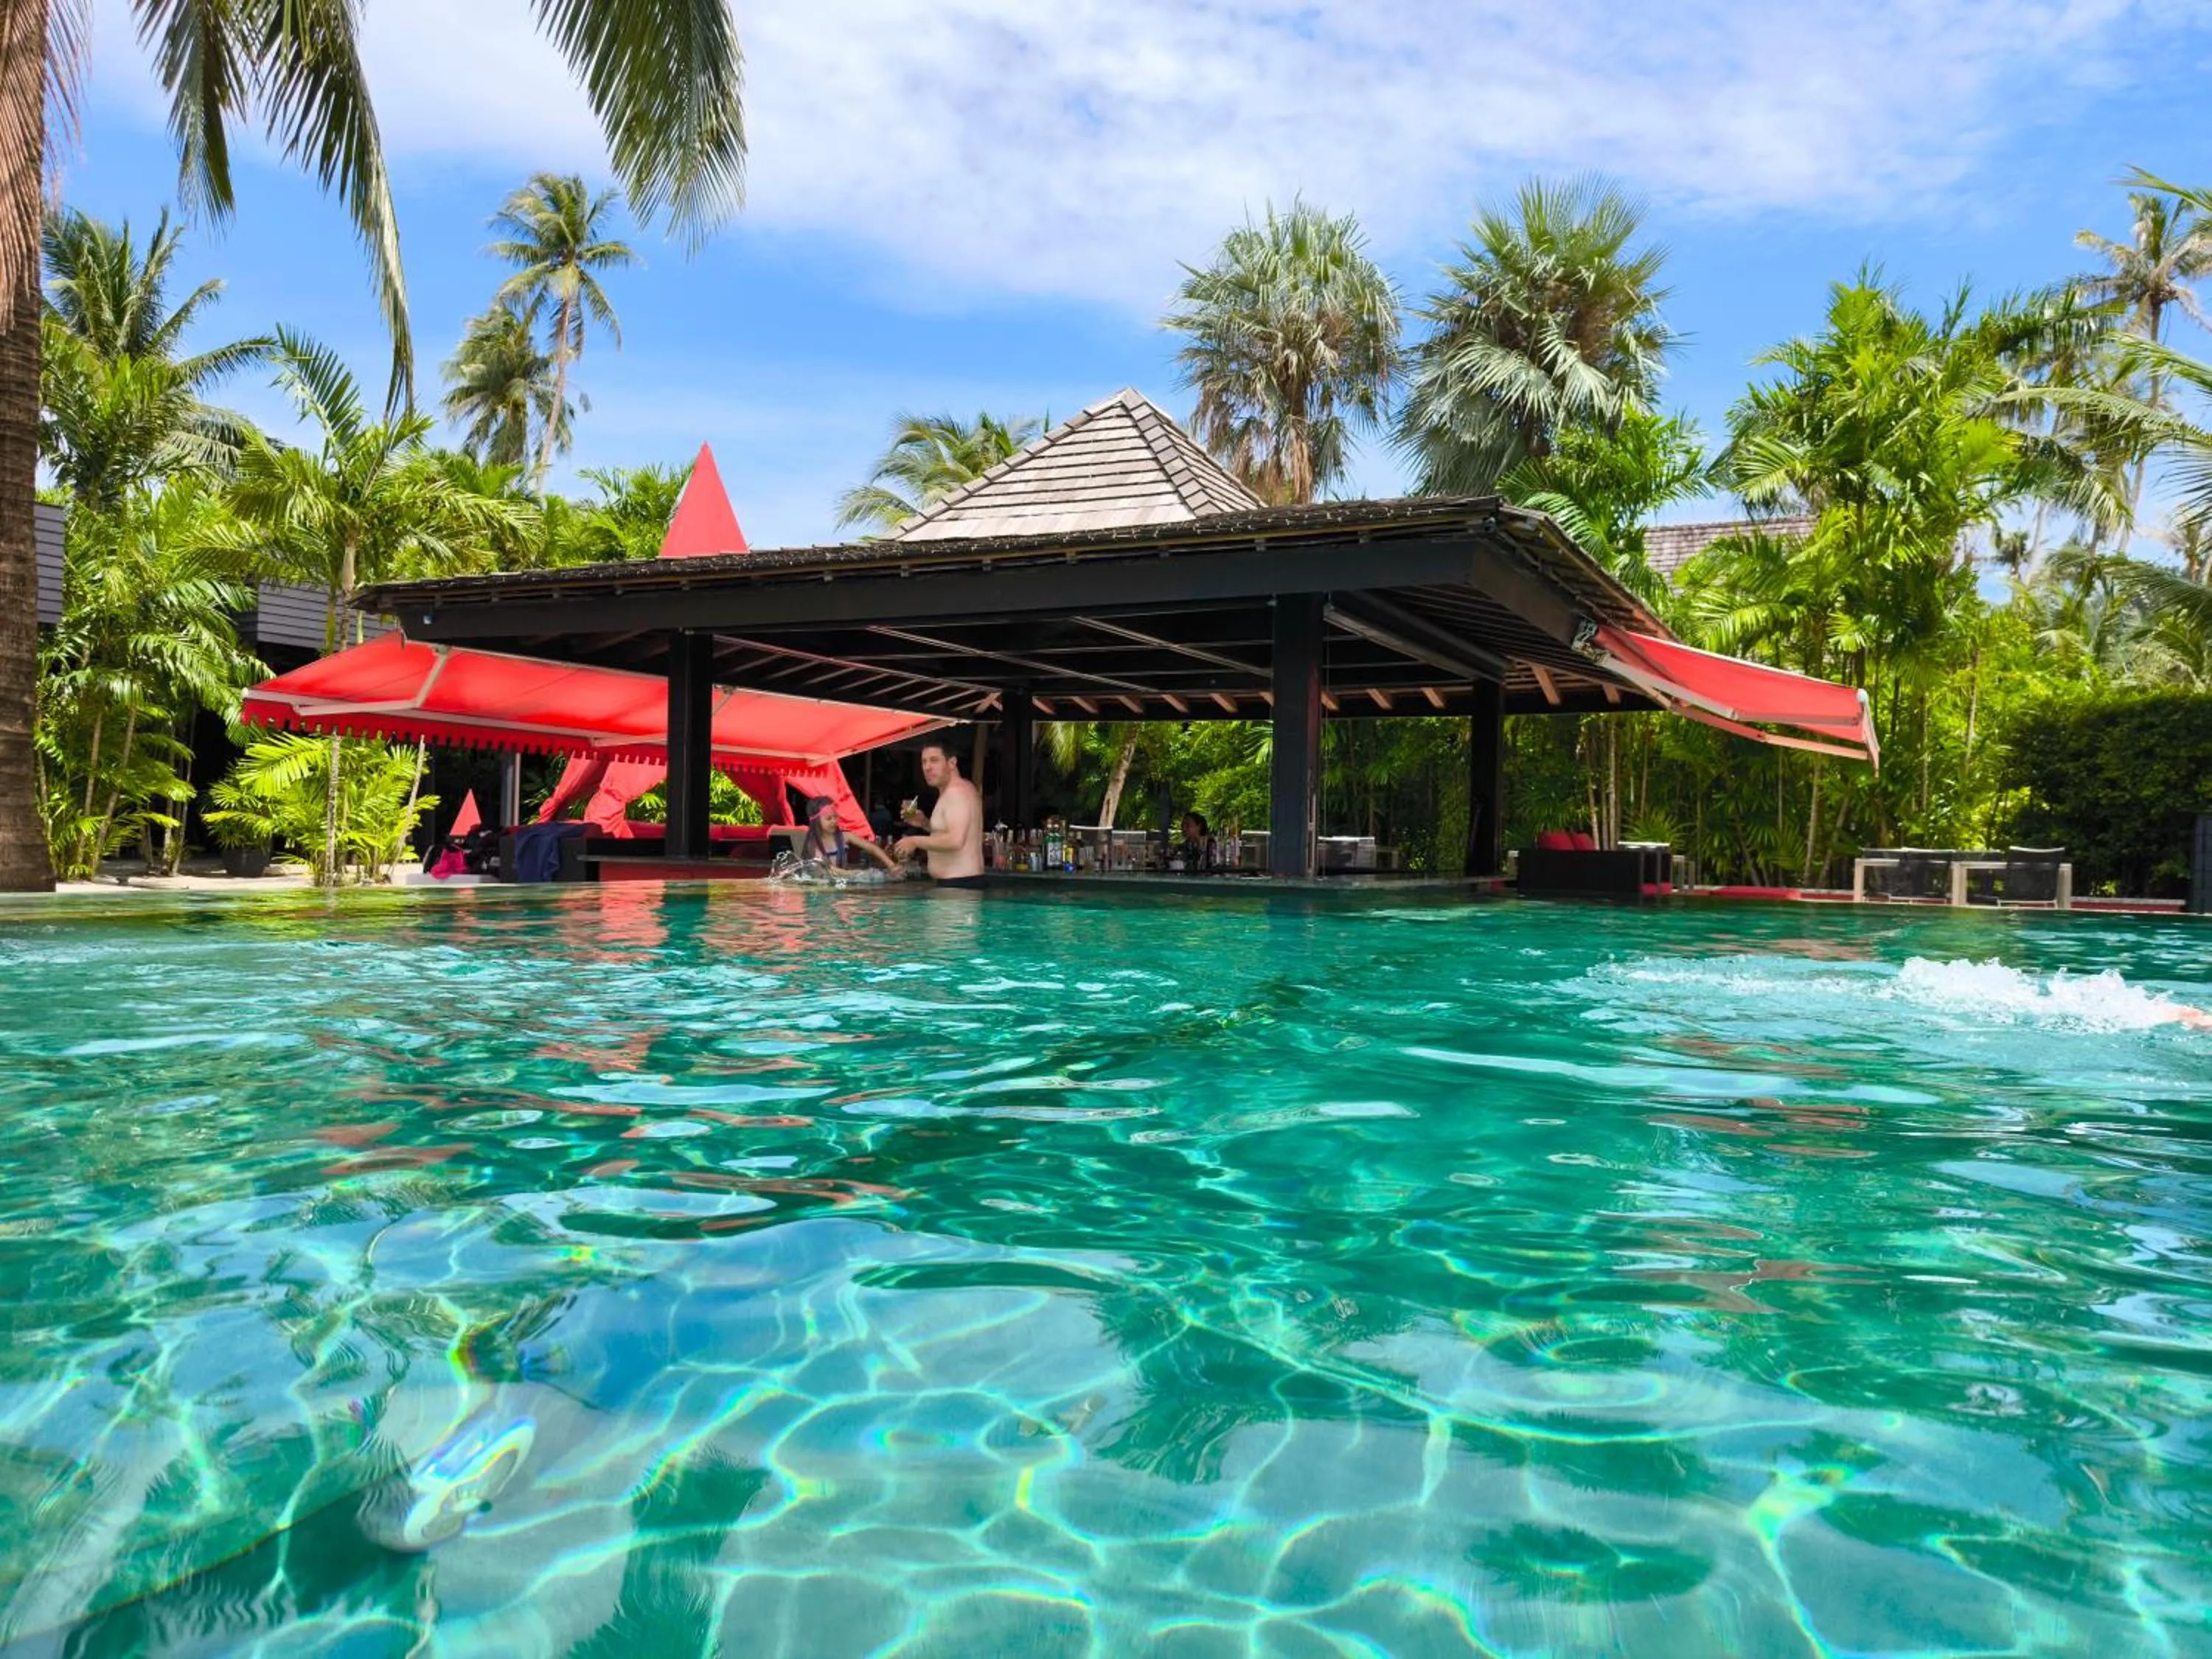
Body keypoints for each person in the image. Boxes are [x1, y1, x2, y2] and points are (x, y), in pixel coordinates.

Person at [894, 737, 984, 886]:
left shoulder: (956, 793)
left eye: (934, 760)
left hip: (959, 887)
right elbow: (951, 832)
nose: (927, 767)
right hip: (959, 885)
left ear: (952, 763)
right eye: (924, 762)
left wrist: (914, 841)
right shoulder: (959, 789)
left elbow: (955, 841)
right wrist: (924, 823)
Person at [801, 796, 904, 877]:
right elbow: (827, 870)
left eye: (835, 817)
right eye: (829, 819)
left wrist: (891, 866)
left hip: (844, 879)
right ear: (816, 822)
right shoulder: (813, 844)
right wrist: (857, 874)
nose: (834, 821)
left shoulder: (845, 837)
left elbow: (872, 848)